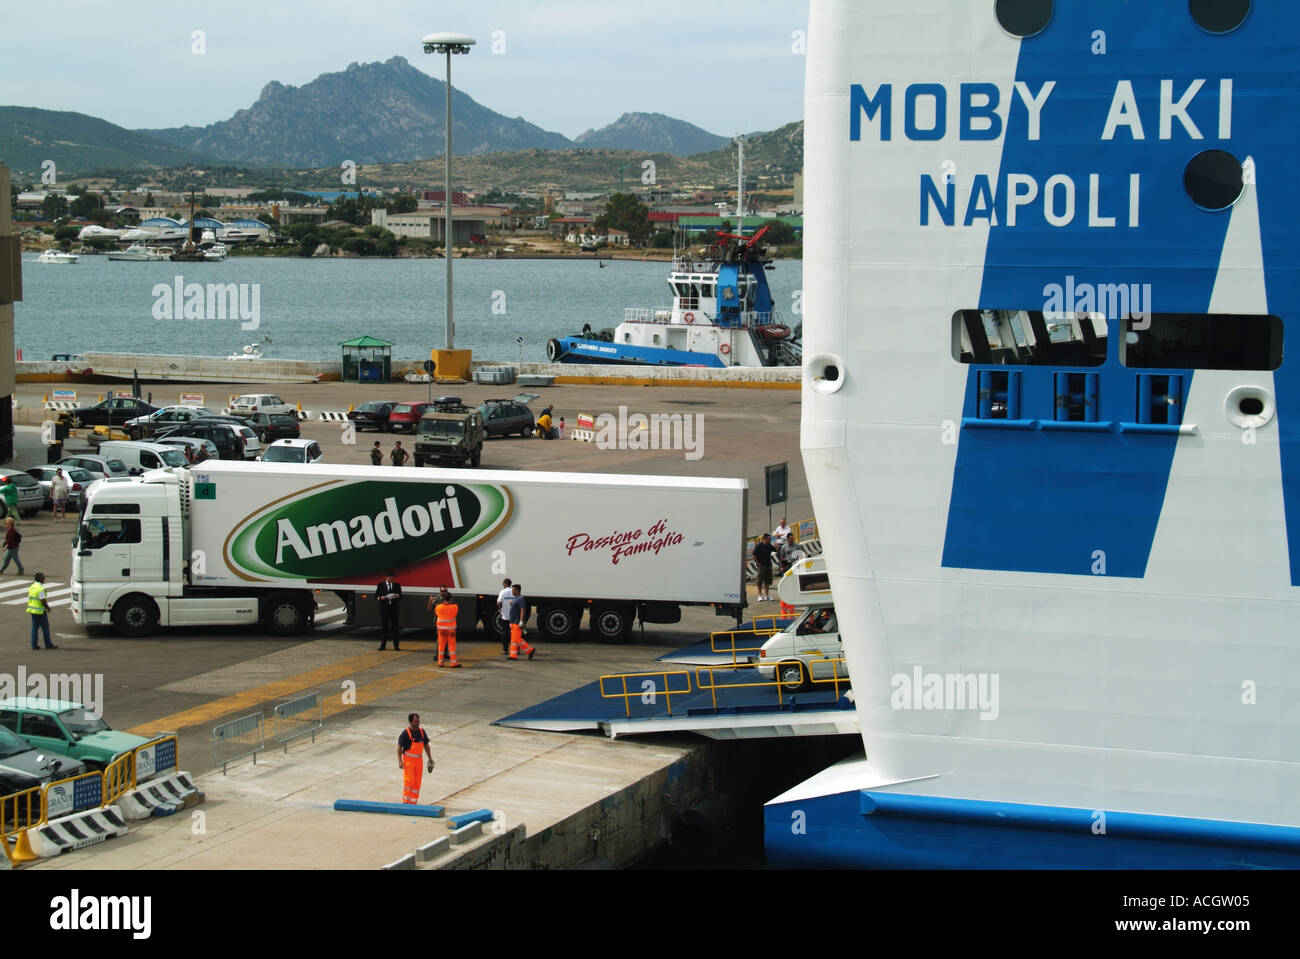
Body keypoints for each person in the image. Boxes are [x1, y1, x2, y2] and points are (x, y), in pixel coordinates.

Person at [397, 712, 434, 804]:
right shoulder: (406, 733)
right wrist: (400, 761)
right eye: (415, 721)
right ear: (410, 722)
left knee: (417, 783)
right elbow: (399, 748)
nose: (417, 723)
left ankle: (413, 802)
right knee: (409, 781)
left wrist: (430, 758)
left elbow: (426, 745)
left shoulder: (422, 732)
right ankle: (405, 801)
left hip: (419, 761)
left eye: (418, 721)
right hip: (408, 761)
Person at [427, 587, 461, 667]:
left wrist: (431, 601)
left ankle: (440, 662)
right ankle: (453, 663)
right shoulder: (455, 607)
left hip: (441, 630)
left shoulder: (438, 607)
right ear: (450, 599)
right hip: (451, 630)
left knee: (441, 646)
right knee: (452, 646)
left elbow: (435, 613)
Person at [503, 583, 535, 660]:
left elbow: (522, 610)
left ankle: (530, 650)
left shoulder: (521, 599)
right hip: (513, 622)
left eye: (513, 590)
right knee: (513, 640)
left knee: (517, 639)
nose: (512, 591)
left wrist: (521, 621)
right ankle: (513, 655)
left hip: (517, 622)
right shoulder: (516, 598)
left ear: (517, 591)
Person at [28, 572, 55, 650]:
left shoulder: (32, 586)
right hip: (40, 611)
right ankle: (48, 644)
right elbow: (42, 600)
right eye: (43, 577)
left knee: (34, 628)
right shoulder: (40, 588)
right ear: (40, 579)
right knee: (45, 628)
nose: (44, 578)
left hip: (32, 610)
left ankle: (34, 645)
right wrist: (48, 608)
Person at [376, 571, 402, 650]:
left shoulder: (397, 585)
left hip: (394, 609)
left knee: (395, 628)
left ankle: (396, 646)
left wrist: (397, 596)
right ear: (386, 578)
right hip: (384, 609)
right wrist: (381, 598)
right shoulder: (381, 585)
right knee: (385, 628)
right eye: (389, 578)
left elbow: (400, 596)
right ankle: (383, 645)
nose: (390, 580)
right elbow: (376, 596)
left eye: (392, 578)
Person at [751, 533, 776, 602]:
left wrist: (776, 544)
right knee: (760, 581)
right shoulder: (759, 546)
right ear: (765, 539)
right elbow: (753, 555)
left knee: (767, 581)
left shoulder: (769, 546)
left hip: (768, 565)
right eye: (769, 539)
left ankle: (767, 595)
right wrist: (757, 563)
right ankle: (759, 595)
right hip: (761, 565)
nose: (770, 540)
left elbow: (776, 550)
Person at [496, 577, 514, 654]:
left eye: (503, 583)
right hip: (513, 616)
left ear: (505, 584)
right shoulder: (514, 591)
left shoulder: (502, 592)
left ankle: (505, 650)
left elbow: (499, 602)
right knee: (514, 634)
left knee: (505, 633)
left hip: (505, 616)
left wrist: (500, 609)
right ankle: (516, 650)